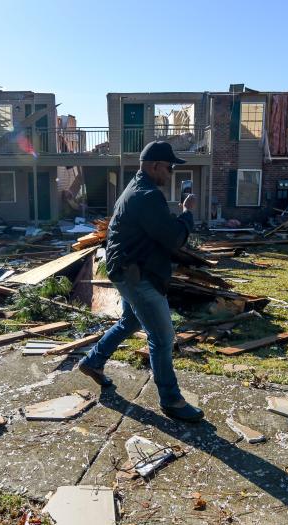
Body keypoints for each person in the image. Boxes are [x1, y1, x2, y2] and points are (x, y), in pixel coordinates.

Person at [78, 141, 203, 423]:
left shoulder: (136, 189)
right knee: (162, 337)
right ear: (155, 166)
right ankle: (171, 401)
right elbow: (172, 238)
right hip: (137, 276)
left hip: (127, 271)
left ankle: (93, 361)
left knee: (131, 322)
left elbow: (155, 229)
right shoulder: (147, 195)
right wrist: (187, 214)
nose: (170, 173)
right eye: (169, 167)